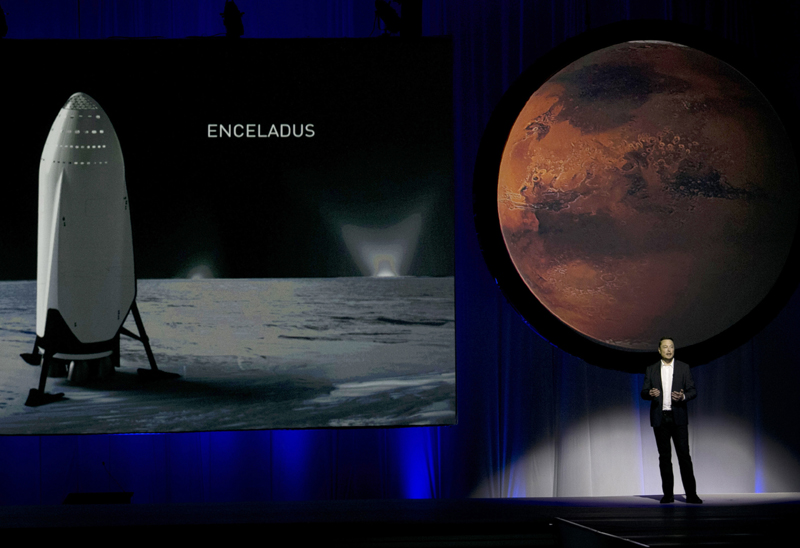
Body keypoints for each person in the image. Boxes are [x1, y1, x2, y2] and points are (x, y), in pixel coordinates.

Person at [641, 337, 703, 504]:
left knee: (684, 456)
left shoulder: (683, 367)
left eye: (671, 347)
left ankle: (691, 494)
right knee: (664, 457)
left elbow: (693, 391)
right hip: (660, 418)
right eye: (665, 347)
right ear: (659, 350)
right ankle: (668, 495)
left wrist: (682, 396)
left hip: (678, 417)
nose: (669, 350)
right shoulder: (651, 369)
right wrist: (650, 394)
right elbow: (644, 392)